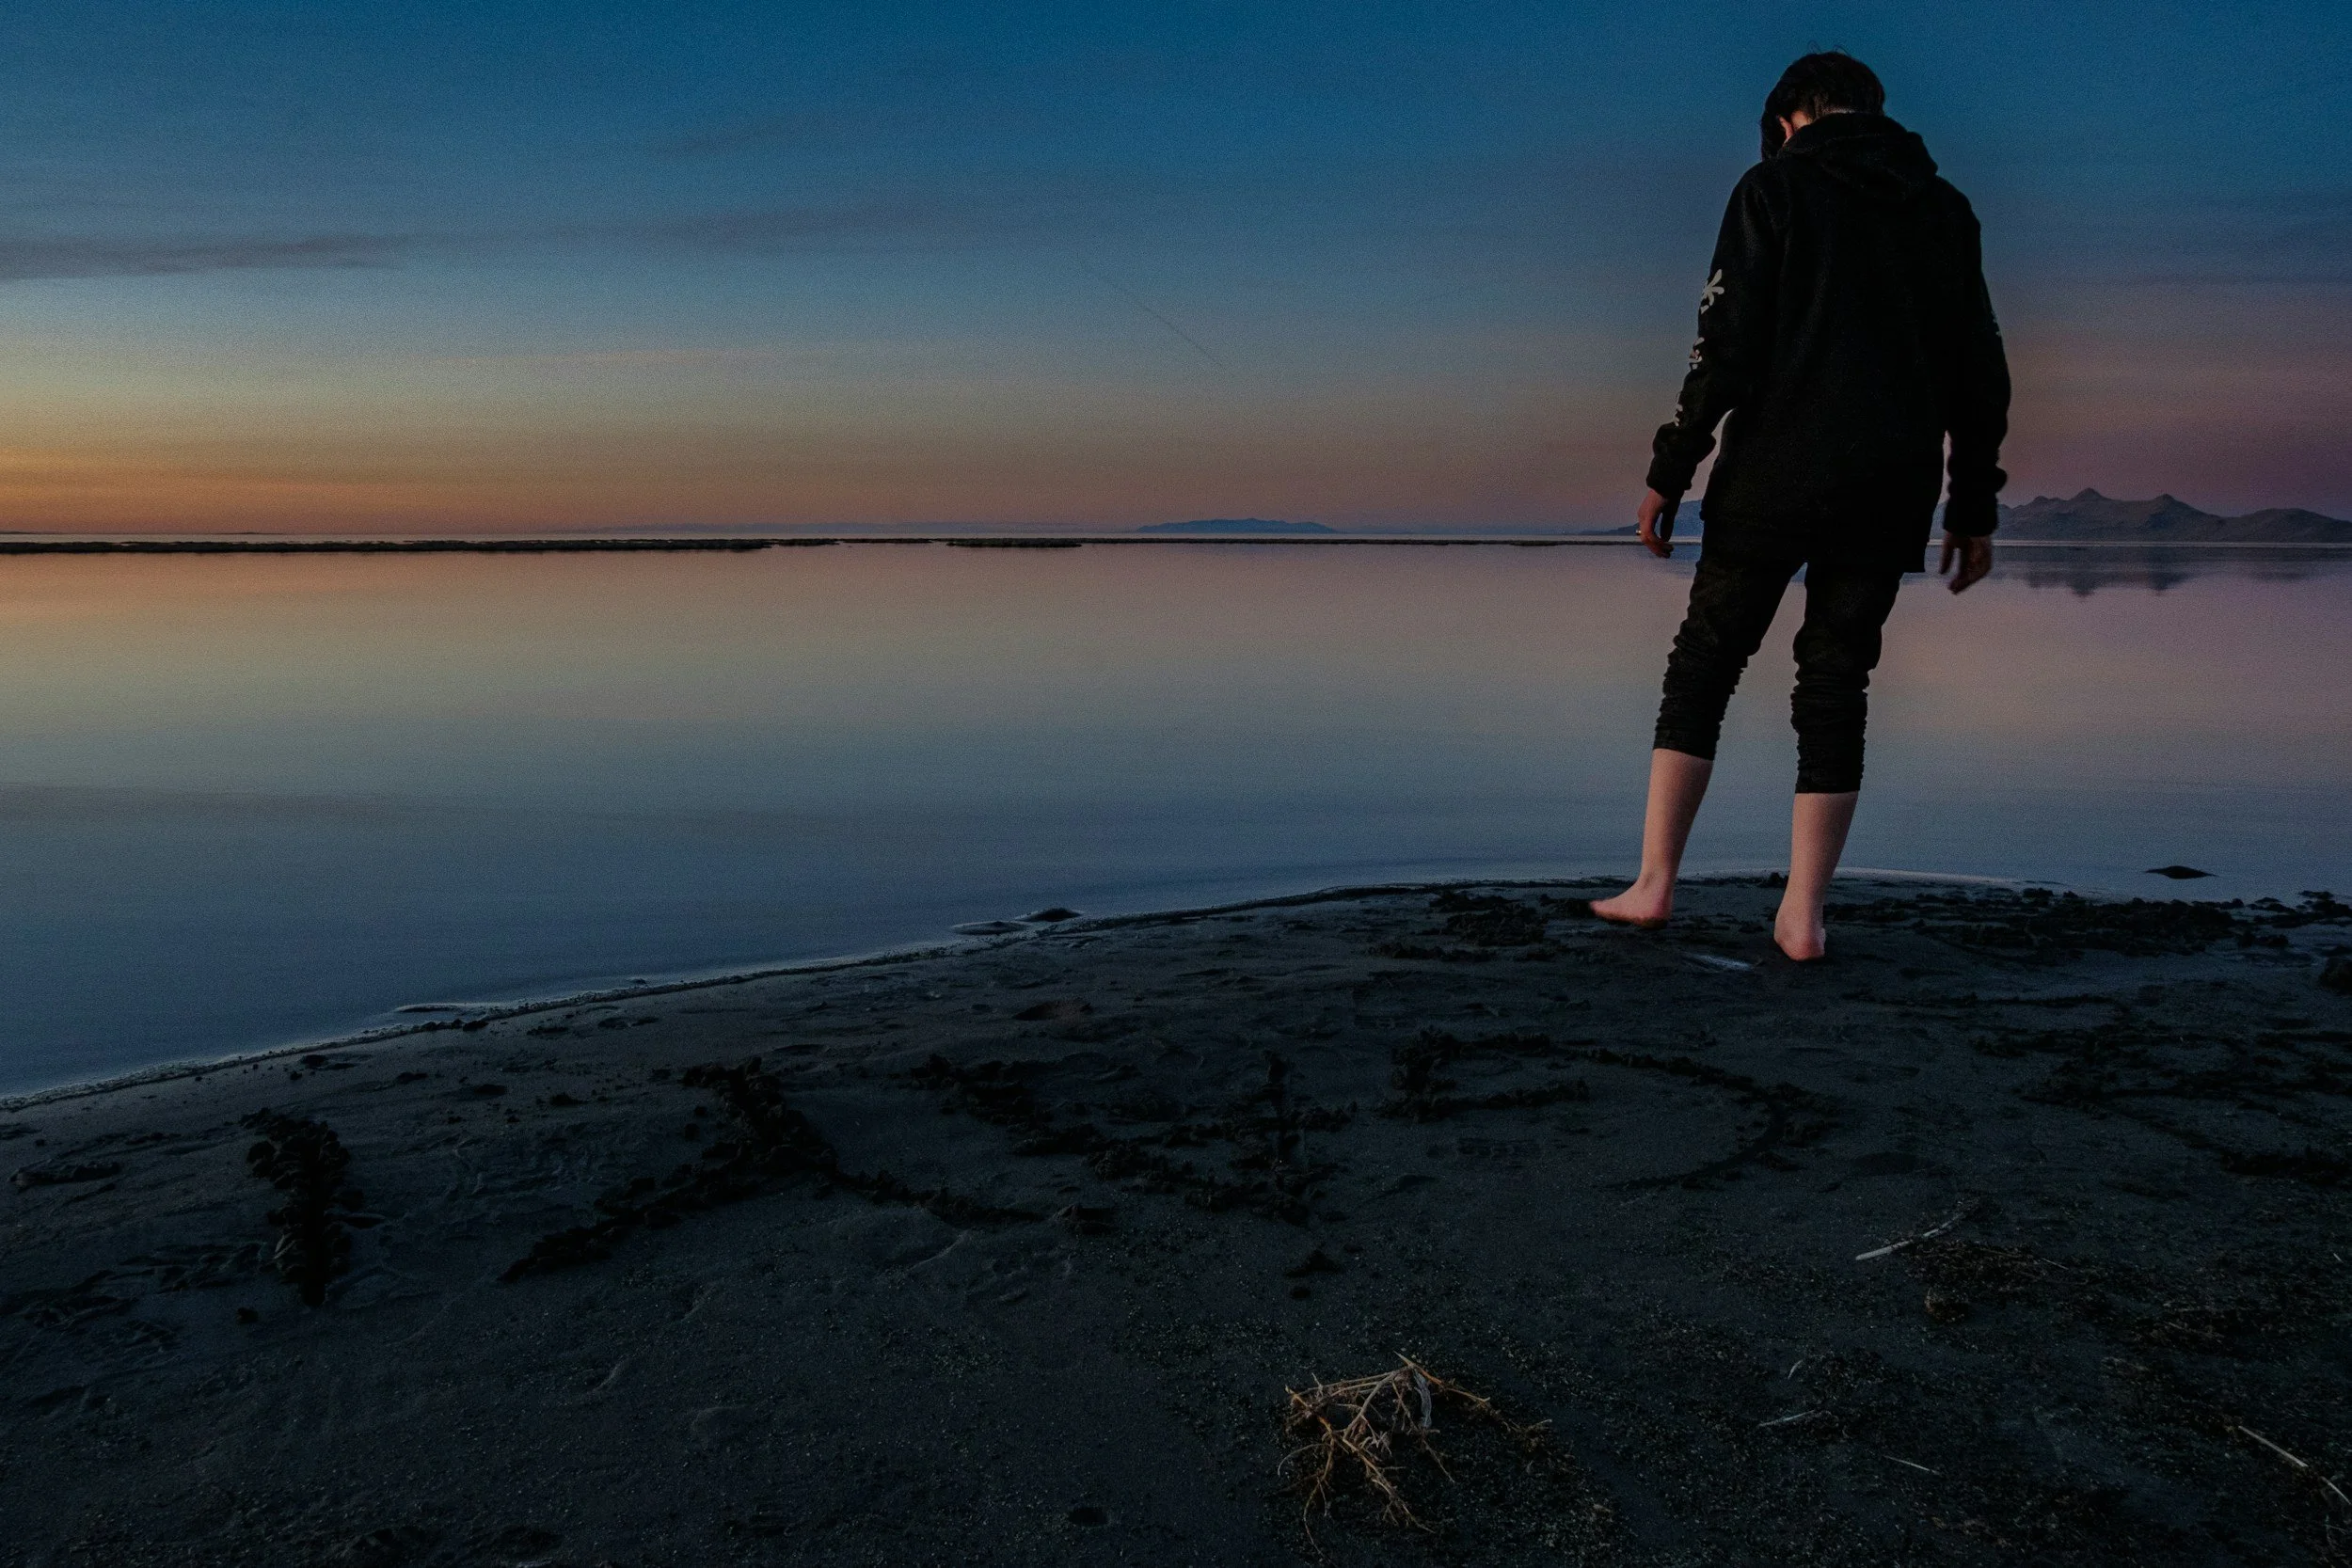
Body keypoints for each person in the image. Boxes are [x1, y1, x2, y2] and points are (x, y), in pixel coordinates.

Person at [1591, 50, 2010, 961]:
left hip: (1775, 473)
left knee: (1703, 663)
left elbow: (1723, 344)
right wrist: (1971, 505)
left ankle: (1655, 885)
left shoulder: (1772, 190)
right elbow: (1980, 374)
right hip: (1888, 487)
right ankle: (1802, 917)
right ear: (1873, 111)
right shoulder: (1945, 212)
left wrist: (1672, 466)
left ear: (1789, 117)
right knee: (1834, 682)